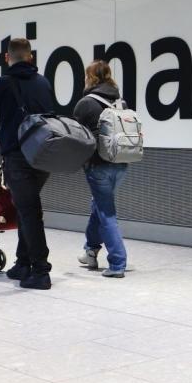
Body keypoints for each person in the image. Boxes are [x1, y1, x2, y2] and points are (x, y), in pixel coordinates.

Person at [0, 37, 56, 290]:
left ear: (7, 58)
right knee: (25, 208)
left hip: (18, 158)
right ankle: (22, 263)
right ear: (31, 57)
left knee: (29, 211)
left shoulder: (0, 85)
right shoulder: (43, 83)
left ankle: (41, 271)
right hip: (43, 156)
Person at [71, 60, 129, 278]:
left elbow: (75, 137)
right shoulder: (121, 101)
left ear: (90, 77)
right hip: (121, 163)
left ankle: (117, 263)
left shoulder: (85, 104)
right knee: (99, 205)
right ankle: (91, 251)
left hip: (98, 166)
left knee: (106, 213)